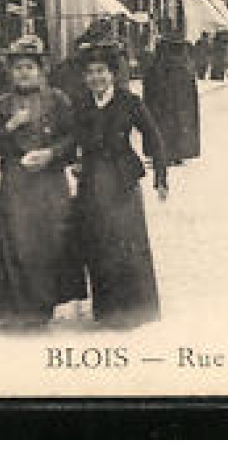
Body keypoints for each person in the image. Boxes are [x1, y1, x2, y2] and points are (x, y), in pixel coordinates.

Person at [0, 35, 88, 327]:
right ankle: (15, 305)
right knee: (14, 240)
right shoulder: (2, 104)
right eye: (18, 68)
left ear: (41, 70)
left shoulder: (59, 100)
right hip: (16, 181)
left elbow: (74, 136)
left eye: (29, 67)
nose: (24, 73)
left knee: (48, 242)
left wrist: (51, 153)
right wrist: (10, 126)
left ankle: (42, 305)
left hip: (50, 184)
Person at [74, 38, 169, 329]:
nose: (96, 78)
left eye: (101, 72)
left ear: (113, 74)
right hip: (91, 181)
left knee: (127, 242)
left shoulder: (129, 102)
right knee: (98, 241)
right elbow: (73, 140)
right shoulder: (82, 104)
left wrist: (161, 177)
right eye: (90, 73)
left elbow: (153, 137)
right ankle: (107, 311)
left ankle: (136, 309)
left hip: (122, 180)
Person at [143, 36, 201, 164]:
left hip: (162, 105)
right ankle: (178, 153)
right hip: (178, 106)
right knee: (178, 126)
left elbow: (151, 86)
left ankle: (167, 154)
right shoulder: (185, 66)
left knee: (163, 127)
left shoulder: (159, 65)